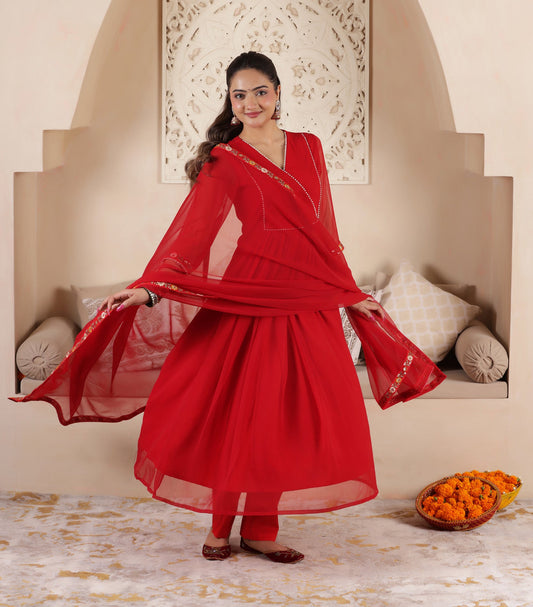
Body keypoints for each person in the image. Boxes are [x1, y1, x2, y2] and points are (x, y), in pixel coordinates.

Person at [13, 51, 444, 564]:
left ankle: (261, 530)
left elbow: (325, 231)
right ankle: (220, 527)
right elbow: (194, 237)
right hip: (248, 292)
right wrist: (150, 290)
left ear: (278, 92)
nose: (251, 103)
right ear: (231, 100)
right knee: (235, 412)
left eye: (260, 91)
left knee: (282, 419)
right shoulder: (225, 159)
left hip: (304, 296)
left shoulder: (310, 147)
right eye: (240, 95)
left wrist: (349, 293)